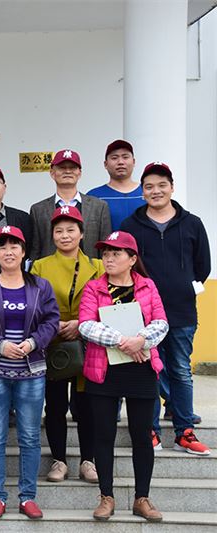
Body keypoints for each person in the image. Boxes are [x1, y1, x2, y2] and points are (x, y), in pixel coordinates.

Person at [0, 225, 59, 520]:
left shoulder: (41, 287)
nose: (8, 252)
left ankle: (27, 497)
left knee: (30, 436)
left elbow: (51, 321)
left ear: (23, 252)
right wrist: (0, 345)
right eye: (3, 247)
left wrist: (33, 342)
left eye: (14, 246)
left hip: (31, 372)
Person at [121, 162, 212, 455]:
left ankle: (185, 431)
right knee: (149, 371)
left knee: (180, 370)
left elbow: (203, 265)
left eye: (162, 185)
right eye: (149, 186)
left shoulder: (192, 223)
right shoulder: (131, 226)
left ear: (172, 187)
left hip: (181, 311)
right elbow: (124, 266)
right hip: (143, 314)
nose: (156, 191)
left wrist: (183, 286)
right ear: (142, 191)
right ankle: (150, 431)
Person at [78, 230, 169, 522]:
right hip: (104, 370)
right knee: (103, 435)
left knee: (141, 435)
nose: (108, 258)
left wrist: (140, 340)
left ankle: (142, 498)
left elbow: (161, 322)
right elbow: (86, 325)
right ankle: (106, 497)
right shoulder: (94, 287)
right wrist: (123, 341)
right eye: (105, 253)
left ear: (132, 259)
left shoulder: (148, 286)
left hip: (141, 368)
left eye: (116, 253)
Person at [30, 206, 104, 484]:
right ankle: (58, 460)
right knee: (55, 405)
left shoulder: (97, 266)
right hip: (53, 343)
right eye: (59, 230)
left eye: (71, 230)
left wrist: (80, 324)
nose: (64, 235)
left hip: (88, 344)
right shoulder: (40, 266)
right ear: (52, 235)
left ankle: (88, 460)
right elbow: (33, 304)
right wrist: (55, 324)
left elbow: (103, 304)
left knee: (87, 406)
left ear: (82, 233)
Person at [29, 149, 112, 259]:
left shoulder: (99, 207)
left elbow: (105, 248)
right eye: (62, 168)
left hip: (91, 268)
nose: (68, 171)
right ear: (52, 173)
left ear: (79, 173)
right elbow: (35, 250)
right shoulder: (38, 210)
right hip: (50, 269)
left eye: (72, 168)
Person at [87, 140, 145, 231]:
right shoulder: (94, 196)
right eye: (114, 158)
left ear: (133, 162)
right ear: (105, 164)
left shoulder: (148, 193)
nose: (120, 162)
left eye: (125, 157)